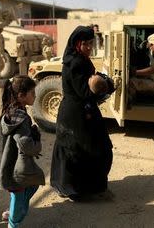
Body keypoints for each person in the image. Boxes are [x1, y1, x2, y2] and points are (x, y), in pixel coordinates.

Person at [50, 26, 113, 201]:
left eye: (91, 43)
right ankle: (77, 191)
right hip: (77, 115)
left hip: (78, 111)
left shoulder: (77, 58)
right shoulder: (76, 63)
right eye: (86, 44)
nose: (89, 47)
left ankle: (74, 187)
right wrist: (105, 84)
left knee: (78, 149)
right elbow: (85, 92)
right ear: (78, 44)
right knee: (85, 149)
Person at [0, 75, 44, 227]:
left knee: (28, 186)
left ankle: (13, 212)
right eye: (32, 93)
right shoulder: (20, 117)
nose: (35, 95)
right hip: (19, 164)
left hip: (11, 162)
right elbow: (26, 145)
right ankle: (13, 223)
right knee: (19, 192)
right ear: (21, 96)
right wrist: (36, 141)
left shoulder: (14, 110)